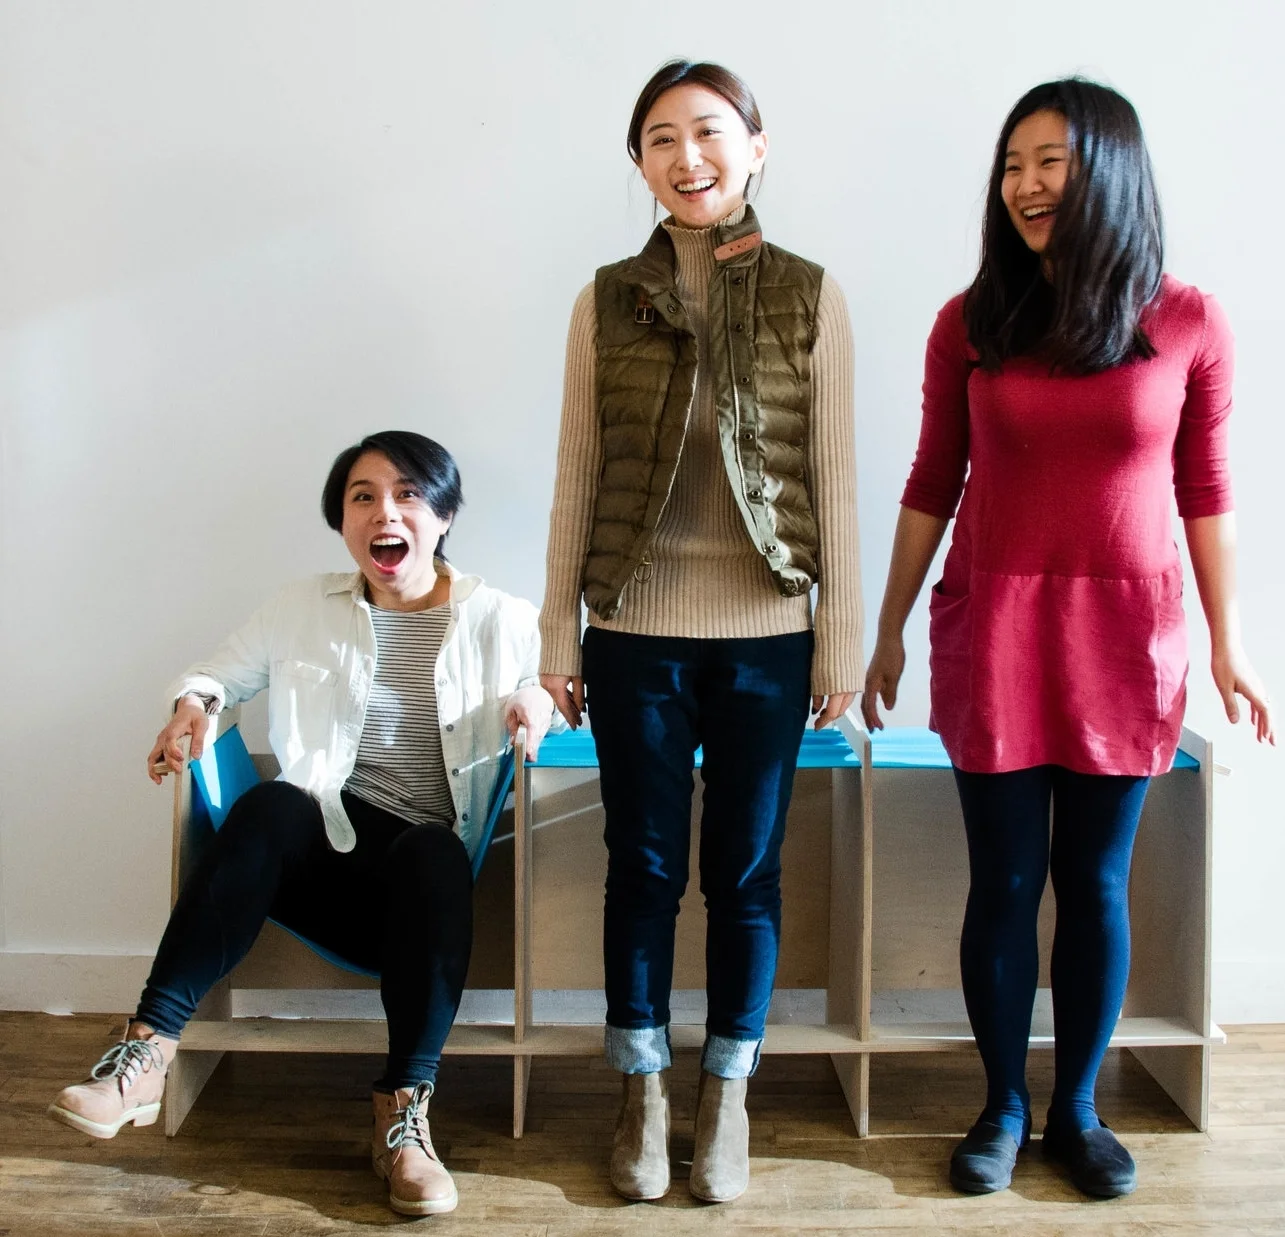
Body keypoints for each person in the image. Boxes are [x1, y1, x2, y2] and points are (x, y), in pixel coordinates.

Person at [863, 79, 1274, 1199]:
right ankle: (1000, 1103)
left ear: (1111, 170)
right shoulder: (971, 321)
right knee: (1002, 879)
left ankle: (1077, 1109)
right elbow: (929, 479)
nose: (1028, 185)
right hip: (993, 621)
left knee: (1094, 882)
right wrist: (888, 626)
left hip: (1127, 630)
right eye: (1013, 164)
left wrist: (1230, 643)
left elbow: (1206, 488)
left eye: (1053, 161)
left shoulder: (1188, 319)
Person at [48, 430, 554, 1218]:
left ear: (445, 512)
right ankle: (144, 1055)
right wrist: (193, 704)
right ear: (342, 520)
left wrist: (536, 702)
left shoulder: (502, 616)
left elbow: (546, 680)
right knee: (275, 802)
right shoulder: (298, 607)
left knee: (432, 851)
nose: (384, 511)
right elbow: (218, 672)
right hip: (320, 856)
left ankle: (404, 1116)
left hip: (422, 889)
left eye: (408, 493)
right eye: (362, 496)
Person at [539, 59, 862, 1204]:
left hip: (769, 628)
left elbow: (834, 476)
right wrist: (558, 635)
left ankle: (726, 1092)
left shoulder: (809, 293)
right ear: (639, 162)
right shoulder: (604, 298)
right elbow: (577, 471)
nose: (690, 157)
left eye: (712, 133)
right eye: (664, 139)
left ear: (756, 146)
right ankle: (642, 1087)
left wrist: (841, 635)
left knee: (746, 873)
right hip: (633, 626)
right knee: (643, 864)